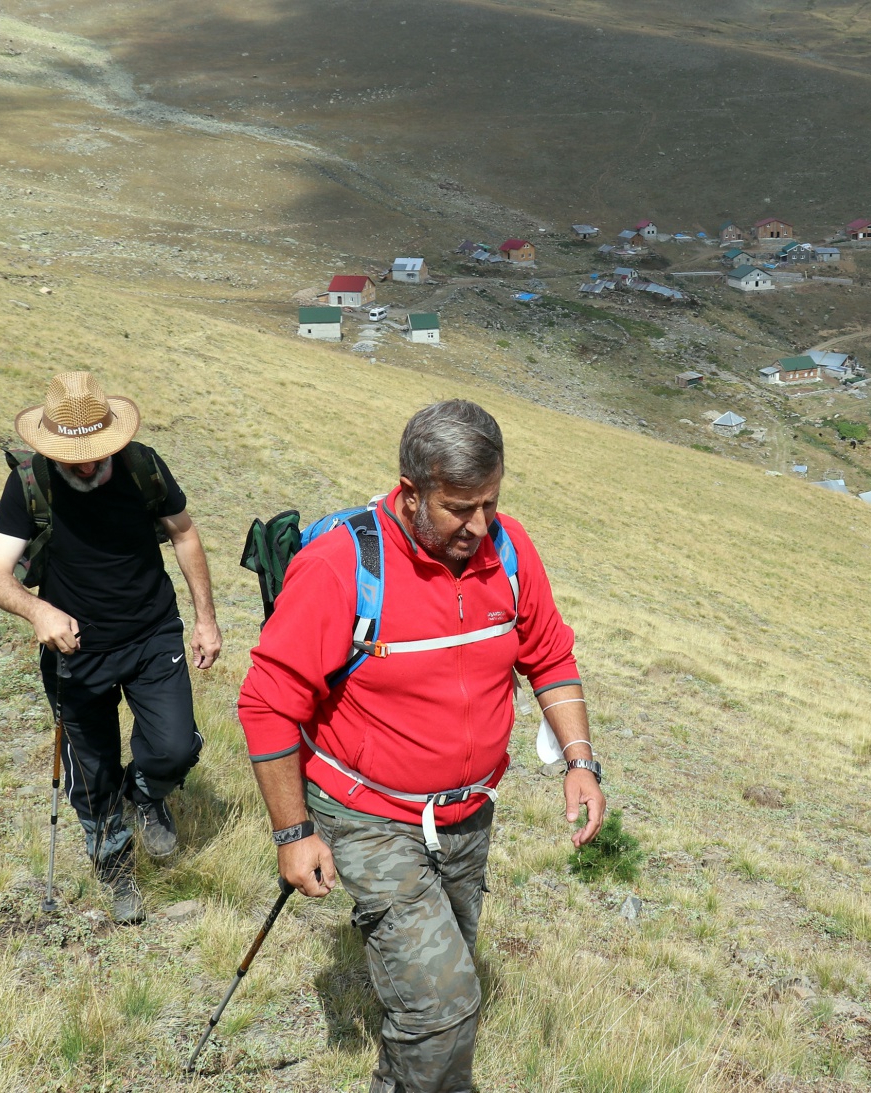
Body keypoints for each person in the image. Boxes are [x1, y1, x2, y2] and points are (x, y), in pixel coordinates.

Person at [239, 399, 605, 1093]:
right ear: (410, 492)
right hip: (368, 814)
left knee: (444, 985)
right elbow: (267, 702)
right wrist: (294, 831)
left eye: (491, 504)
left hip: (469, 815)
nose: (480, 526)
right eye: (460, 508)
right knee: (443, 1002)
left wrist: (579, 760)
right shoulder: (341, 563)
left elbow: (549, 656)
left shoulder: (511, 549)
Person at [0, 371, 223, 924]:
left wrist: (206, 620)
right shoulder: (28, 482)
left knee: (174, 749)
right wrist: (39, 610)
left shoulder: (143, 467)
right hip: (75, 651)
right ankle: (115, 871)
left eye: (96, 452)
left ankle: (148, 793)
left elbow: (184, 533)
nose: (86, 464)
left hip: (153, 634)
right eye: (73, 455)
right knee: (92, 771)